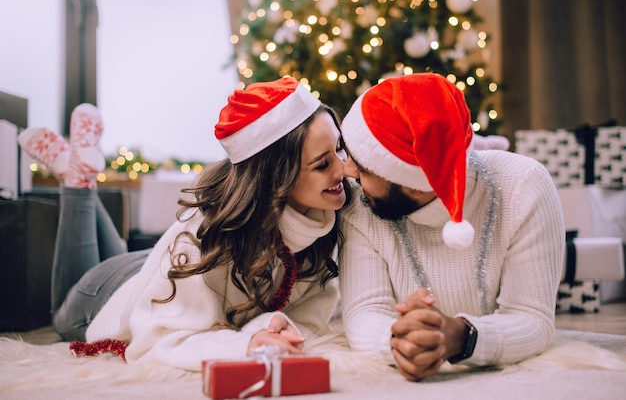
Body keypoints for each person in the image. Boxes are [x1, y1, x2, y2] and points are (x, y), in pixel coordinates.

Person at [17, 76, 351, 371]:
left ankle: (78, 173)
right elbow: (162, 337)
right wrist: (243, 345)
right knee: (61, 311)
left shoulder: (323, 218)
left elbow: (306, 320)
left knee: (119, 260)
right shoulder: (205, 236)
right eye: (323, 164)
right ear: (275, 178)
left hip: (159, 266)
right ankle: (77, 183)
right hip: (118, 289)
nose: (344, 169)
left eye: (340, 148)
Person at [337, 73, 565, 381]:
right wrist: (398, 343)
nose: (346, 170)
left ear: (415, 185)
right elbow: (364, 311)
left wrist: (460, 336)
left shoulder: (524, 186)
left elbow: (533, 320)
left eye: (363, 167)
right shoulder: (360, 203)